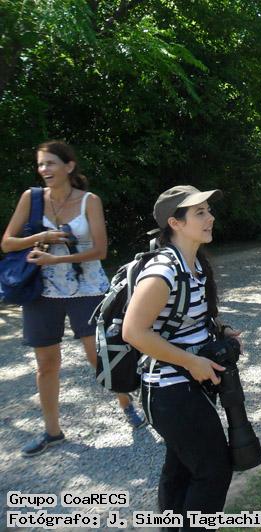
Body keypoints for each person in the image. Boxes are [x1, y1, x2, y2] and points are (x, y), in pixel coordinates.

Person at [2, 140, 145, 457]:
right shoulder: (31, 198)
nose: (44, 169)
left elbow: (100, 250)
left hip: (87, 288)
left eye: (50, 163)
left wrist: (56, 258)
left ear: (68, 166)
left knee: (98, 356)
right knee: (46, 364)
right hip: (42, 290)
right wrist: (42, 237)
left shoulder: (89, 201)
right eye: (40, 164)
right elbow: (7, 243)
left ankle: (126, 402)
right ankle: (52, 432)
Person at [122, 185, 241, 525]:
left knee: (181, 469)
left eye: (208, 210)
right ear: (175, 223)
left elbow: (184, 321)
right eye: (199, 212)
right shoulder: (163, 271)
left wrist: (220, 333)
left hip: (188, 386)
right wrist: (191, 361)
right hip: (169, 391)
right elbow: (134, 332)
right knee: (214, 470)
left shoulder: (194, 265)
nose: (210, 217)